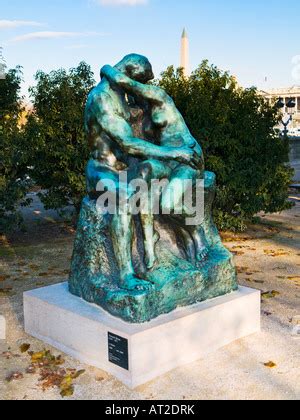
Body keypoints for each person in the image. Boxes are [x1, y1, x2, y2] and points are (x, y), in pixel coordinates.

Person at [85, 54, 200, 290]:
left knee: (152, 177)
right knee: (126, 197)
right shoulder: (102, 99)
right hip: (103, 170)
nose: (143, 89)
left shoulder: (121, 95)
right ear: (128, 73)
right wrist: (173, 154)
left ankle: (155, 243)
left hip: (126, 168)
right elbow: (127, 144)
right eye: (141, 81)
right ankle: (126, 274)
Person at [100, 63, 209, 267]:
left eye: (134, 90)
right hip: (168, 159)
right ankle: (150, 243)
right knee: (144, 173)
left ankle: (196, 232)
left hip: (188, 158)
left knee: (169, 205)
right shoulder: (145, 112)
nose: (131, 96)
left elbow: (124, 81)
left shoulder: (159, 96)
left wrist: (106, 69)